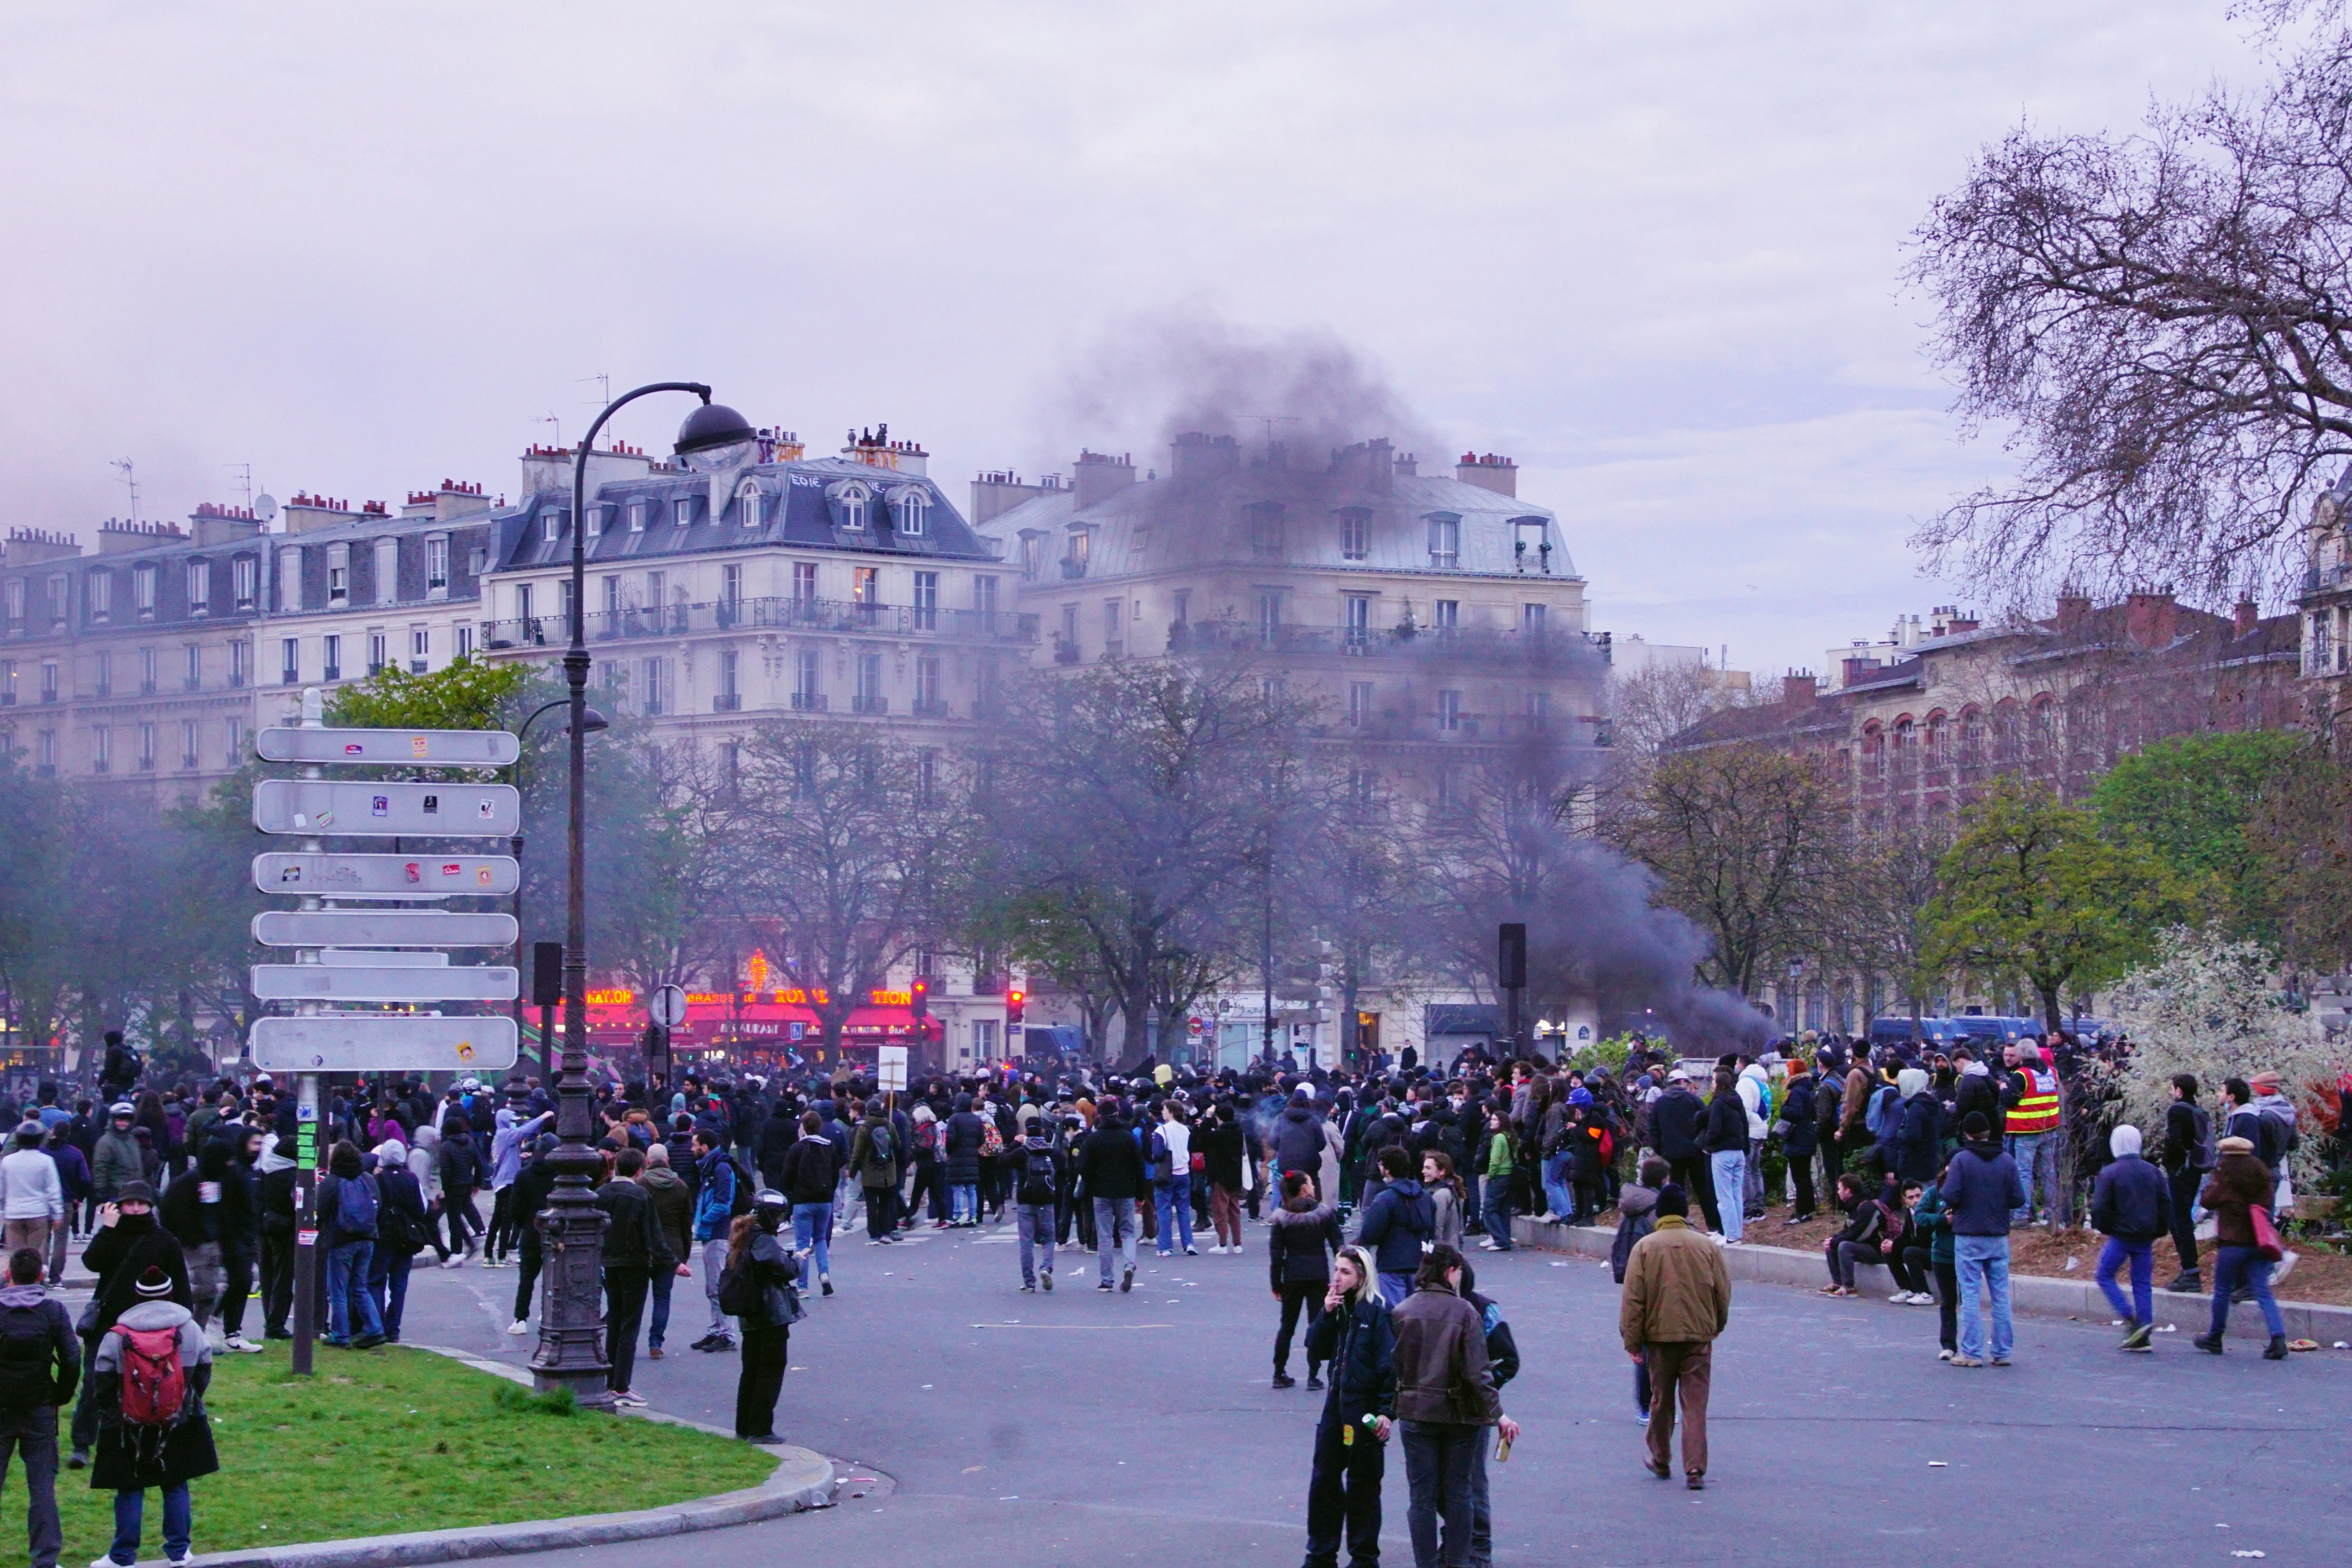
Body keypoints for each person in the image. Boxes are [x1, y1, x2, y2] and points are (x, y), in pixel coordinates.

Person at [1390, 1243, 1515, 1568]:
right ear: (1450, 1272)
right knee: (1460, 1494)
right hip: (1460, 1416)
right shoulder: (1465, 1312)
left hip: (1416, 1413)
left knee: (1421, 1498)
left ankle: (1426, 1563)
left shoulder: (1403, 1310)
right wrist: (1497, 1414)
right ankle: (1460, 1561)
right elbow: (1478, 1372)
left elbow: (1397, 1366)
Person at [88, 1264, 216, 1567]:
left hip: (128, 1422)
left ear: (137, 1297)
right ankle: (179, 1551)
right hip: (178, 1418)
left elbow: (101, 1379)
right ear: (170, 1294)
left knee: (130, 1488)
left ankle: (122, 1556)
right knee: (175, 1483)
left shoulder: (118, 1335)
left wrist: (114, 1411)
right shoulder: (190, 1329)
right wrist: (187, 1402)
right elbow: (204, 1369)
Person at [1618, 1183, 1731, 1490]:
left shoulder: (1645, 1247)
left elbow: (1633, 1299)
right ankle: (1694, 1468)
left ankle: (1660, 1458)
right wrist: (1716, 1325)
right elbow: (1722, 1291)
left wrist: (1632, 1341)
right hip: (1698, 1336)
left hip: (1659, 1337)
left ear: (1660, 1213)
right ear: (1685, 1213)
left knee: (1661, 1400)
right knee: (1695, 1404)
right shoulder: (1707, 1247)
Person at [1299, 1245, 1394, 1568]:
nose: (1336, 1278)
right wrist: (1325, 1314)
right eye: (1336, 1270)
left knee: (1363, 1485)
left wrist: (1385, 1411)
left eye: (1345, 1272)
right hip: (1336, 1407)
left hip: (1363, 1411)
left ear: (1362, 1276)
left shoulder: (1377, 1312)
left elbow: (1390, 1368)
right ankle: (1321, 1554)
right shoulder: (1336, 1309)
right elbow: (1315, 1346)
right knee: (1324, 1479)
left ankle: (1364, 1557)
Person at [0, 1246, 77, 1568]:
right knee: (42, 1488)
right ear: (41, 1277)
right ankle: (45, 1559)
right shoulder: (54, 1311)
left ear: (8, 1276)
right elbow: (72, 1358)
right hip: (40, 1407)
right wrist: (61, 1394)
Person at [1940, 1112, 2025, 1368]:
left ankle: (1972, 1352)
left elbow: (1950, 1195)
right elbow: (2018, 1199)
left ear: (1967, 1134)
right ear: (1988, 1132)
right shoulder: (2007, 1161)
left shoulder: (1962, 1160)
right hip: (1998, 1235)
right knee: (2000, 1296)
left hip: (1968, 1235)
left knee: (1970, 1294)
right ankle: (2001, 1351)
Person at [2195, 1135, 2289, 1360]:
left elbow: (2207, 1201)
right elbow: (2267, 1203)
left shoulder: (2225, 1174)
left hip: (2232, 1243)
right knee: (2263, 1292)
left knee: (2222, 1291)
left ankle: (2215, 1337)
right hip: (2258, 1242)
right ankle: (2278, 1338)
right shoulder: (2260, 1171)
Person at [597, 1146, 676, 1408]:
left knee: (615, 1319)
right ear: (640, 1171)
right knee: (630, 1325)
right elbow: (653, 1234)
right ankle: (621, 1385)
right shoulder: (640, 1195)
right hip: (635, 1263)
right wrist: (672, 1262)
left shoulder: (601, 1194)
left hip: (609, 1262)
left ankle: (609, 1381)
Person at [1456, 1259, 1519, 1568]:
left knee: (1472, 1481)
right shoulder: (1424, 1307)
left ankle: (1478, 1548)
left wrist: (1483, 1391)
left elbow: (1508, 1359)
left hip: (1473, 1408)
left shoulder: (1483, 1309)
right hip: (1437, 1409)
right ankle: (1456, 1543)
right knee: (1443, 1484)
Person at [726, 1191, 804, 1443]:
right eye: (779, 1215)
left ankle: (745, 1426)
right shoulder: (763, 1241)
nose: (780, 1221)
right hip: (769, 1314)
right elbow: (784, 1269)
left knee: (751, 1370)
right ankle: (761, 1428)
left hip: (750, 1315)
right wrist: (798, 1262)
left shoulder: (743, 1236)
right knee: (769, 1371)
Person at [1268, 1172, 1342, 1390]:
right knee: (1316, 1323)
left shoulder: (1281, 1217)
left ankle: (1279, 1371)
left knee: (1287, 1325)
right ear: (1304, 1189)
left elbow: (1276, 1255)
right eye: (1310, 1182)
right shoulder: (1324, 1214)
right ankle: (1313, 1375)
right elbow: (1338, 1243)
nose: (1313, 1185)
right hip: (1318, 1273)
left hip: (1292, 1275)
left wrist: (1276, 1283)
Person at [1610, 1156, 1667, 1421]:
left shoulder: (1630, 1204)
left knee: (1641, 1338)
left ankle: (1644, 1405)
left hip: (1633, 1274)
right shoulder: (1658, 1208)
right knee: (1659, 1342)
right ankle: (1656, 1402)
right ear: (1664, 1180)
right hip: (1657, 1277)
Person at [314, 1144, 385, 1350]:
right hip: (367, 1239)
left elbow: (322, 1210)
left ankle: (340, 1334)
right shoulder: (368, 1179)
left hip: (341, 1240)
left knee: (338, 1290)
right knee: (360, 1287)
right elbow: (377, 1206)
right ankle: (375, 1328)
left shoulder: (332, 1181)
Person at [366, 1138, 431, 1345]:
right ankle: (393, 1328)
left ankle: (377, 1325)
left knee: (376, 1281)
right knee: (399, 1285)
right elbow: (422, 1208)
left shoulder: (376, 1180)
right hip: (406, 1239)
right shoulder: (411, 1179)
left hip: (383, 1238)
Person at [1078, 1099, 1145, 1294]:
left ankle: (1106, 1280)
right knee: (1128, 1231)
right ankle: (1129, 1264)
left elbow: (1083, 1167)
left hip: (1101, 1192)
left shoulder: (1093, 1139)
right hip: (1125, 1191)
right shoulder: (1128, 1137)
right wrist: (1139, 1193)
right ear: (1117, 1114)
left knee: (1105, 1236)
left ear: (1099, 1115)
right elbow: (1139, 1167)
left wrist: (1092, 1185)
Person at [1354, 1147, 1434, 1308]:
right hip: (1420, 1264)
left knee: (1395, 1314)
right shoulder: (1425, 1196)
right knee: (1417, 1313)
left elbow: (1369, 1234)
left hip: (1392, 1264)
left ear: (1387, 1169)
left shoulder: (1385, 1199)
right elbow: (1432, 1229)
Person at [638, 1144, 695, 1358]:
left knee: (638, 1298)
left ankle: (630, 1340)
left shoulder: (641, 1185)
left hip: (645, 1248)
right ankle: (656, 1342)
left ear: (648, 1160)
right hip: (672, 1246)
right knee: (662, 1298)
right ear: (667, 1160)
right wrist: (683, 1255)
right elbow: (686, 1224)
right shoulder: (681, 1186)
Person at [778, 1112, 841, 1298]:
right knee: (821, 1239)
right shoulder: (829, 1147)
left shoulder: (797, 1148)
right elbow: (835, 1175)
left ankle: (802, 1286)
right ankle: (824, 1275)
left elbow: (786, 1177)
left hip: (803, 1201)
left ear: (804, 1127)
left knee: (803, 1243)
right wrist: (829, 1192)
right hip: (824, 1201)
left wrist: (792, 1194)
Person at [2159, 1073, 2212, 1294]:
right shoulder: (2199, 1111)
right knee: (2179, 1219)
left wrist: (2169, 1163)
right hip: (2195, 1169)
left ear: (2179, 1090)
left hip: (2182, 1170)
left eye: (2173, 1088)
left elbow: (2175, 1140)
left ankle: (2190, 1272)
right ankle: (2188, 1270)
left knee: (2180, 1220)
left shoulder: (2177, 1110)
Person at [687, 1130, 738, 1352]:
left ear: (705, 1147)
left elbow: (723, 1204)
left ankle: (726, 1333)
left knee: (718, 1286)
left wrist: (703, 1223)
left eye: (695, 1145)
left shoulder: (720, 1168)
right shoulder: (713, 1166)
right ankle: (716, 1329)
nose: (692, 1149)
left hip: (717, 1234)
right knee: (712, 1286)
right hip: (712, 1233)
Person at [1647, 1071, 1715, 1233]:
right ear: (1683, 1081)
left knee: (1676, 1191)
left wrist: (1660, 1150)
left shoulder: (1660, 1103)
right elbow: (1708, 1120)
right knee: (1703, 1190)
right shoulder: (1693, 1100)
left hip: (1671, 1154)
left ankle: (1678, 1225)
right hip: (1694, 1152)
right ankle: (1713, 1226)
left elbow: (1653, 1129)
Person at [1012, 1114, 1064, 1294]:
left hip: (1026, 1199)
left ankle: (1029, 1282)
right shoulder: (1053, 1152)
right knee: (1049, 1239)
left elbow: (1002, 1160)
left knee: (1026, 1241)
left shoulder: (1022, 1152)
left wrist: (1015, 1143)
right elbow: (1063, 1171)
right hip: (1047, 1200)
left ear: (1026, 1132)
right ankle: (1046, 1267)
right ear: (1043, 1131)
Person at [0, 1124, 63, 1267]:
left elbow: (2, 1191)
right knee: (36, 1255)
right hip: (38, 1213)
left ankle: (18, 1283)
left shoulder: (7, 1161)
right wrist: (57, 1214)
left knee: (16, 1257)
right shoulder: (46, 1161)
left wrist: (4, 1210)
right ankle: (34, 1283)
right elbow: (53, 1190)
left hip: (13, 1214)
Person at [1701, 1068, 1747, 1244]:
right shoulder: (1737, 1101)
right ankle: (1737, 1233)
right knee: (1736, 1195)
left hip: (1722, 1152)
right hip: (1738, 1151)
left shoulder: (1718, 1103)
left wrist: (1708, 1143)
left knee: (1724, 1196)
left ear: (1719, 1084)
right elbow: (1744, 1124)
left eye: (1713, 1082)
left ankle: (1730, 1235)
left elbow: (1714, 1129)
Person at [848, 1097, 899, 1246]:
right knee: (886, 1204)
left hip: (870, 1172)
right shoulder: (890, 1125)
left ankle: (874, 1235)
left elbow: (857, 1153)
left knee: (871, 1205)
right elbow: (897, 1145)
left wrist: (853, 1171)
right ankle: (886, 1232)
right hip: (888, 1172)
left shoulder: (864, 1128)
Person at [1199, 1101, 1247, 1254]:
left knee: (1220, 1209)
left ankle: (1222, 1244)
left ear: (1220, 1118)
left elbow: (1204, 1136)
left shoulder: (1220, 1134)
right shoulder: (1239, 1132)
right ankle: (1237, 1243)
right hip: (1236, 1174)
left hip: (1220, 1175)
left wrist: (1208, 1117)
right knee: (1234, 1208)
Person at [1151, 1100, 1196, 1259]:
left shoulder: (1162, 1130)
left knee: (1164, 1209)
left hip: (1167, 1174)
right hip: (1183, 1172)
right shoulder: (1186, 1130)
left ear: (1170, 1112)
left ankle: (1165, 1247)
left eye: (1164, 1110)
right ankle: (1189, 1243)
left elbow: (1156, 1154)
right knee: (1183, 1209)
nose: (1162, 1113)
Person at [1475, 1110, 1515, 1252]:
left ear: (1501, 1123)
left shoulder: (1498, 1138)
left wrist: (1490, 1174)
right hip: (1509, 1175)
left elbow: (1495, 1160)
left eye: (1494, 1120)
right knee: (1504, 1210)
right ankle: (1505, 1238)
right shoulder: (1509, 1136)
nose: (1491, 1122)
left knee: (1489, 1208)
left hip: (1498, 1175)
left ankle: (1500, 1239)